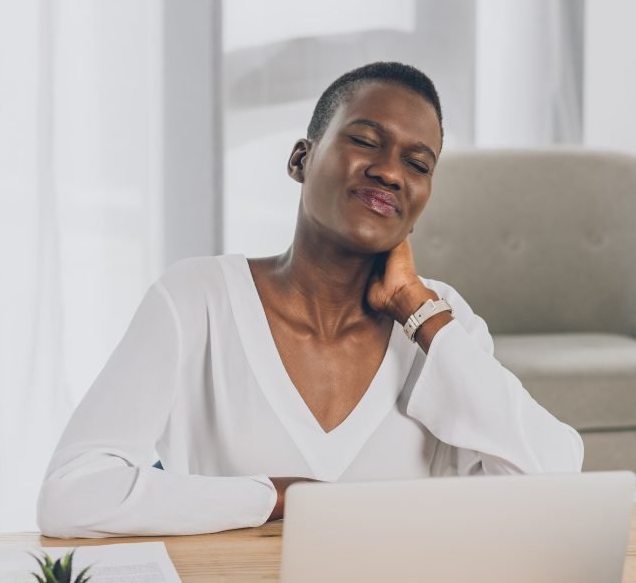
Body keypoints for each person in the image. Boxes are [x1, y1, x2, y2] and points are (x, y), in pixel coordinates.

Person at [37, 61, 584, 538]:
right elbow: (72, 494)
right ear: (301, 158)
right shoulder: (196, 300)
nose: (390, 170)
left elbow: (553, 485)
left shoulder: (443, 324)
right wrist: (275, 498)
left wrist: (418, 310)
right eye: (366, 141)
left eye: (418, 164)